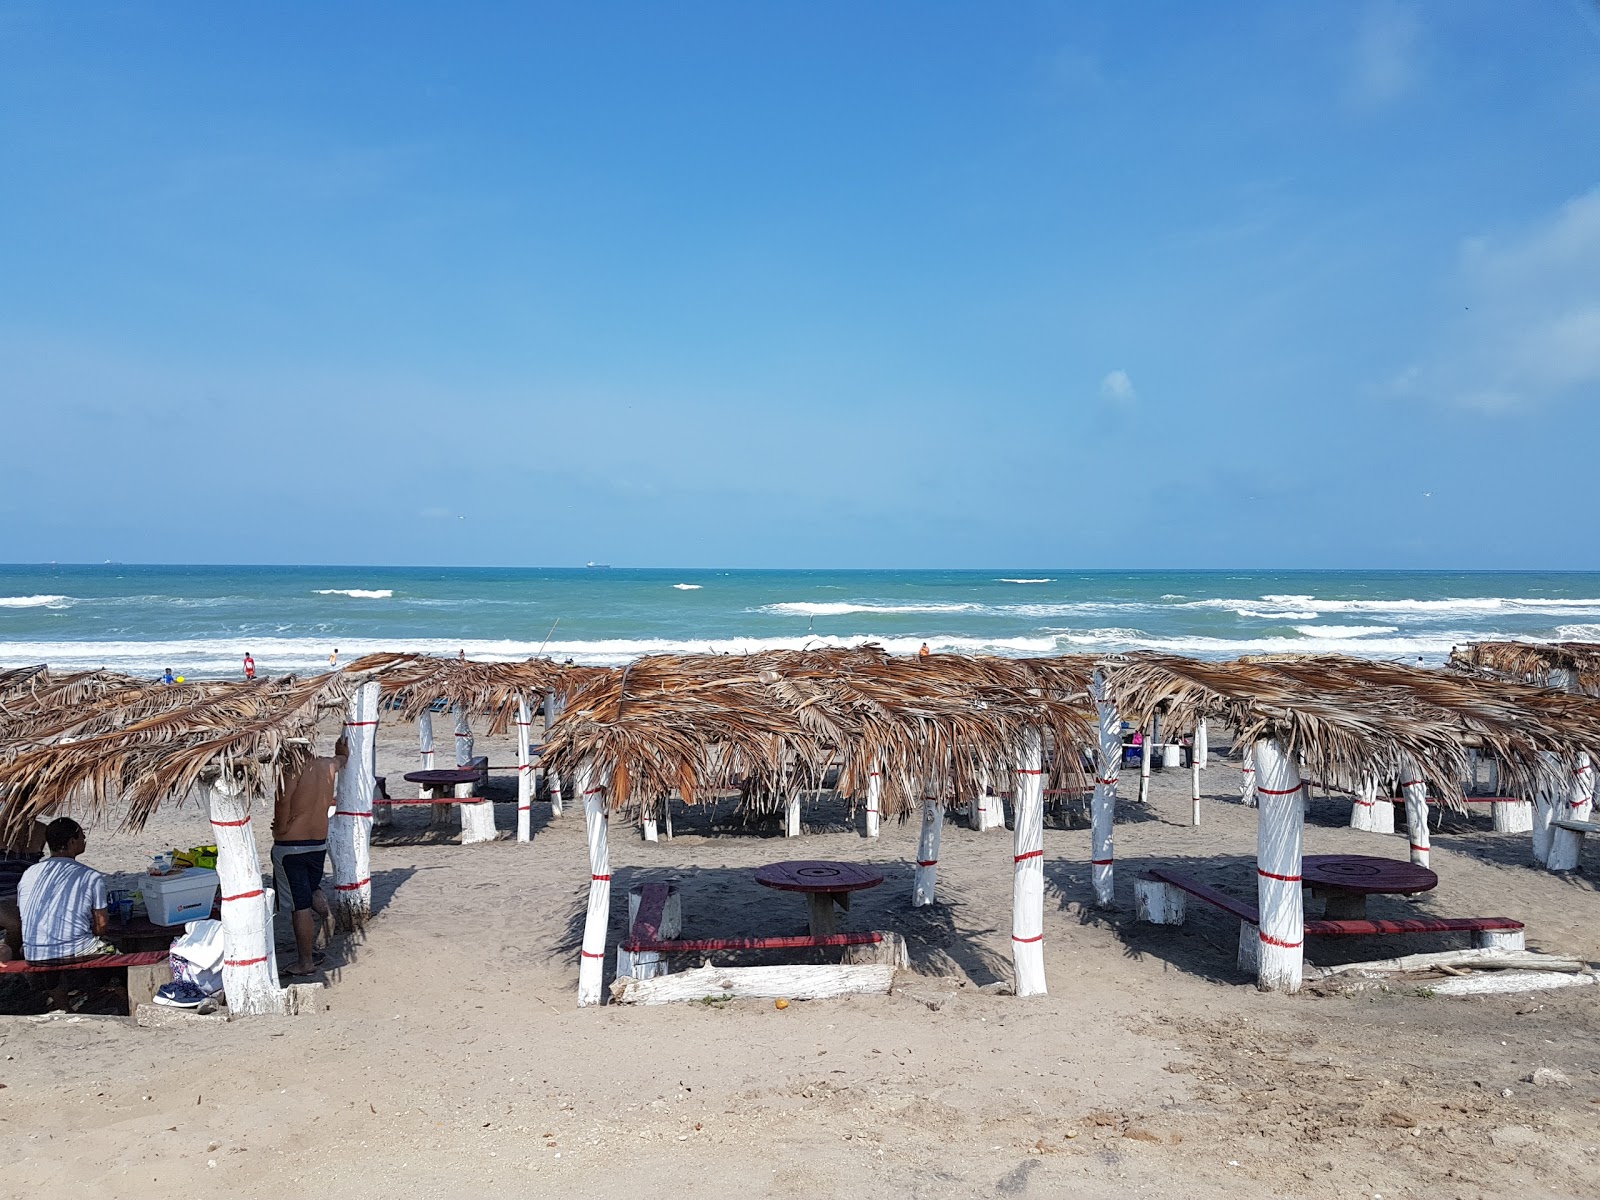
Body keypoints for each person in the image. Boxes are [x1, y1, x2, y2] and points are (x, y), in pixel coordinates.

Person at [272, 735, 348, 976]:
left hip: (291, 844)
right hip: (318, 841)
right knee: (312, 886)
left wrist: (280, 827)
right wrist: (341, 749)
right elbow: (342, 759)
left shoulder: (291, 770)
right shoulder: (328, 765)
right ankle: (325, 915)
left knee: (299, 903)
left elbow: (283, 801)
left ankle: (305, 961)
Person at [0, 817, 48, 961]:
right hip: (1, 896)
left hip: (26, 896)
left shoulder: (41, 829)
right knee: (18, 924)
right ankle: (10, 963)